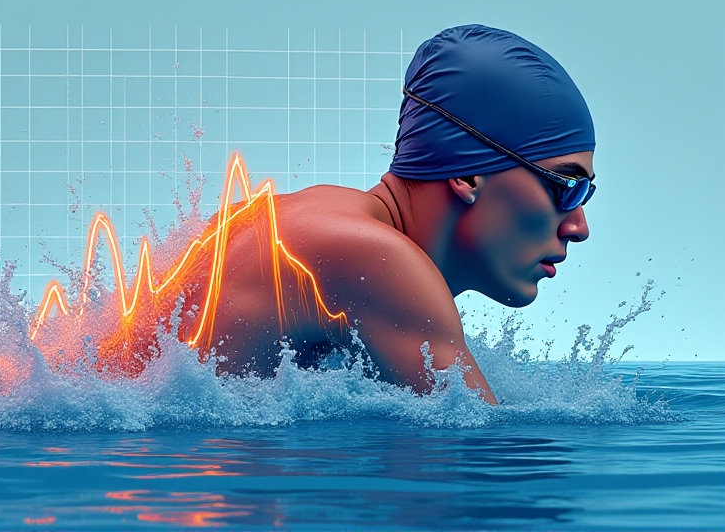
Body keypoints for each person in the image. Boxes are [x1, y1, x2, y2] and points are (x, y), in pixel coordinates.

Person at [159, 24, 596, 406]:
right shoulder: (374, 257)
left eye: (586, 194)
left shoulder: (302, 215)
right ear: (468, 174)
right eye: (565, 186)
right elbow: (472, 460)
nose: (578, 227)